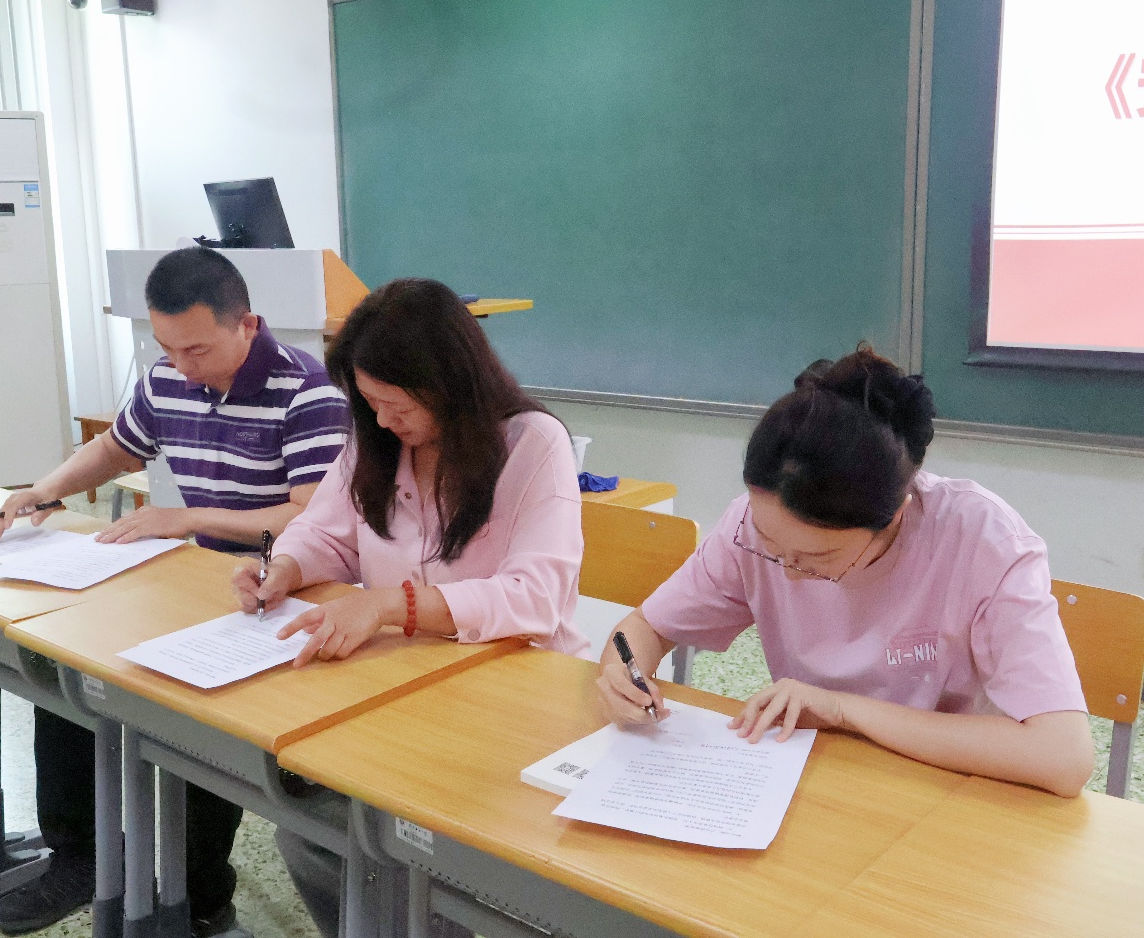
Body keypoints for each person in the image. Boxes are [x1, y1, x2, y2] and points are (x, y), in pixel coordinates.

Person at [0, 246, 349, 935]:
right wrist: (44, 489)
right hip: (198, 577)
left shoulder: (309, 391)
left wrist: (184, 518)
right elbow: (118, 448)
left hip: (286, 586)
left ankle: (200, 900)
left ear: (247, 324)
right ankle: (80, 856)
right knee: (69, 661)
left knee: (196, 724)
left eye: (196, 349)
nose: (180, 366)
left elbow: (310, 518)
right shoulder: (168, 375)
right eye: (167, 348)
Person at [231, 277, 588, 937]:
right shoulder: (377, 440)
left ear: (449, 383)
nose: (382, 422)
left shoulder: (532, 444)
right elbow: (326, 533)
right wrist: (283, 568)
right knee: (308, 830)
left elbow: (536, 596)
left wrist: (393, 606)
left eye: (396, 405)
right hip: (404, 689)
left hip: (517, 696)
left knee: (426, 846)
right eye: (369, 404)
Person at [597, 345, 1094, 798]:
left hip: (947, 790)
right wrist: (623, 675)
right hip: (818, 780)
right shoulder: (751, 525)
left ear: (894, 516)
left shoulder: (984, 542)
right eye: (770, 545)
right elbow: (642, 629)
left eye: (817, 559)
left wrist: (842, 710)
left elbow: (1064, 757)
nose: (788, 571)